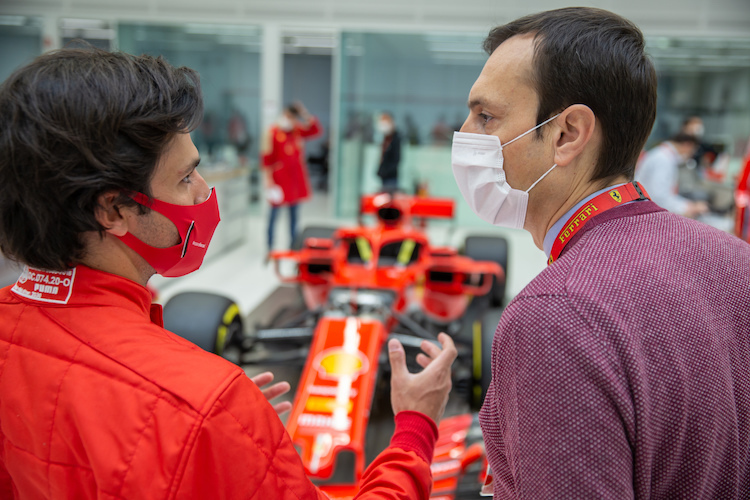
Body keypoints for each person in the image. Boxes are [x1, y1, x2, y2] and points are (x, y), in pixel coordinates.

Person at [0, 47, 458, 499]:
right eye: (185, 178)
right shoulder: (208, 406)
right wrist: (415, 426)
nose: (204, 191)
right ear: (114, 210)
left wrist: (221, 425)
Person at [451, 7, 750, 498]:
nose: (464, 134)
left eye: (486, 116)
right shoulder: (734, 260)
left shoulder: (557, 317)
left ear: (568, 134)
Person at [262, 102, 320, 252]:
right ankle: (269, 245)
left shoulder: (296, 131)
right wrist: (268, 181)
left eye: (293, 117)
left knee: (294, 216)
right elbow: (266, 158)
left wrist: (305, 114)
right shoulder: (273, 132)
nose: (289, 120)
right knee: (273, 215)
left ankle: (293, 244)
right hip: (279, 181)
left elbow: (316, 130)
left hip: (295, 181)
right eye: (287, 116)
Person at [635, 133, 710, 217]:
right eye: (692, 151)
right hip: (647, 212)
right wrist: (689, 207)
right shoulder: (663, 159)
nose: (691, 155)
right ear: (687, 145)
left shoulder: (663, 156)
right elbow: (659, 198)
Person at [376, 112, 401, 190]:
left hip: (391, 179)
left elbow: (396, 160)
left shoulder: (395, 140)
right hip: (384, 178)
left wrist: (385, 172)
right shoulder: (385, 139)